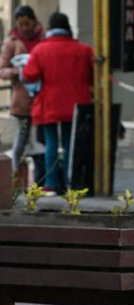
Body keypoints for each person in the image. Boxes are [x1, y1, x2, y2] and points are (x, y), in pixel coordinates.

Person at [21, 12, 93, 196]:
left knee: (51, 143)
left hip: (48, 103)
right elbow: (92, 76)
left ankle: (52, 184)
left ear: (50, 28)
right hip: (76, 104)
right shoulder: (84, 50)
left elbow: (29, 75)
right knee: (71, 143)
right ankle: (72, 183)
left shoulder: (40, 50)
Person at [0, 5, 43, 184]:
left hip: (42, 99)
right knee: (20, 141)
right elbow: (2, 70)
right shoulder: (12, 42)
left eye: (27, 23)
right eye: (21, 24)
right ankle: (14, 181)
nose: (24, 28)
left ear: (34, 21)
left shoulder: (44, 38)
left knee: (42, 142)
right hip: (22, 100)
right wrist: (18, 71)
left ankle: (42, 181)